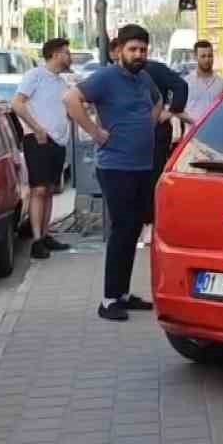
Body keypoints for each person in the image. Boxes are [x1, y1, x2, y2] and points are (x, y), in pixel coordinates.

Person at [65, 24, 163, 322]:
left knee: (133, 230)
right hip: (116, 166)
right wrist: (95, 132)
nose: (138, 55)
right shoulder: (106, 77)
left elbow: (159, 101)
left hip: (142, 165)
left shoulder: (144, 78)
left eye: (143, 50)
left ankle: (122, 293)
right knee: (121, 230)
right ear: (119, 50)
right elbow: (70, 99)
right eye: (133, 49)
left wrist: (149, 123)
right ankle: (108, 300)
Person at [12, 36, 75, 260]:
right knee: (38, 189)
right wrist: (37, 129)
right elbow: (17, 103)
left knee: (49, 189)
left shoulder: (61, 83)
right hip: (38, 140)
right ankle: (36, 239)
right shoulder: (35, 75)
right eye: (67, 52)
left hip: (57, 142)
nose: (70, 56)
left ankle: (46, 234)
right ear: (56, 54)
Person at [140, 51, 189, 247]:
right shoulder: (115, 74)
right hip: (131, 133)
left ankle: (150, 223)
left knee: (153, 177)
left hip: (156, 132)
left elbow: (181, 86)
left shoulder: (155, 69)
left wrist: (170, 112)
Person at [183, 39, 223, 122]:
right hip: (192, 132)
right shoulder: (186, 83)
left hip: (214, 132)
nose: (207, 60)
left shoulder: (222, 84)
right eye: (203, 56)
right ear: (195, 57)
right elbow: (178, 111)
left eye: (210, 56)